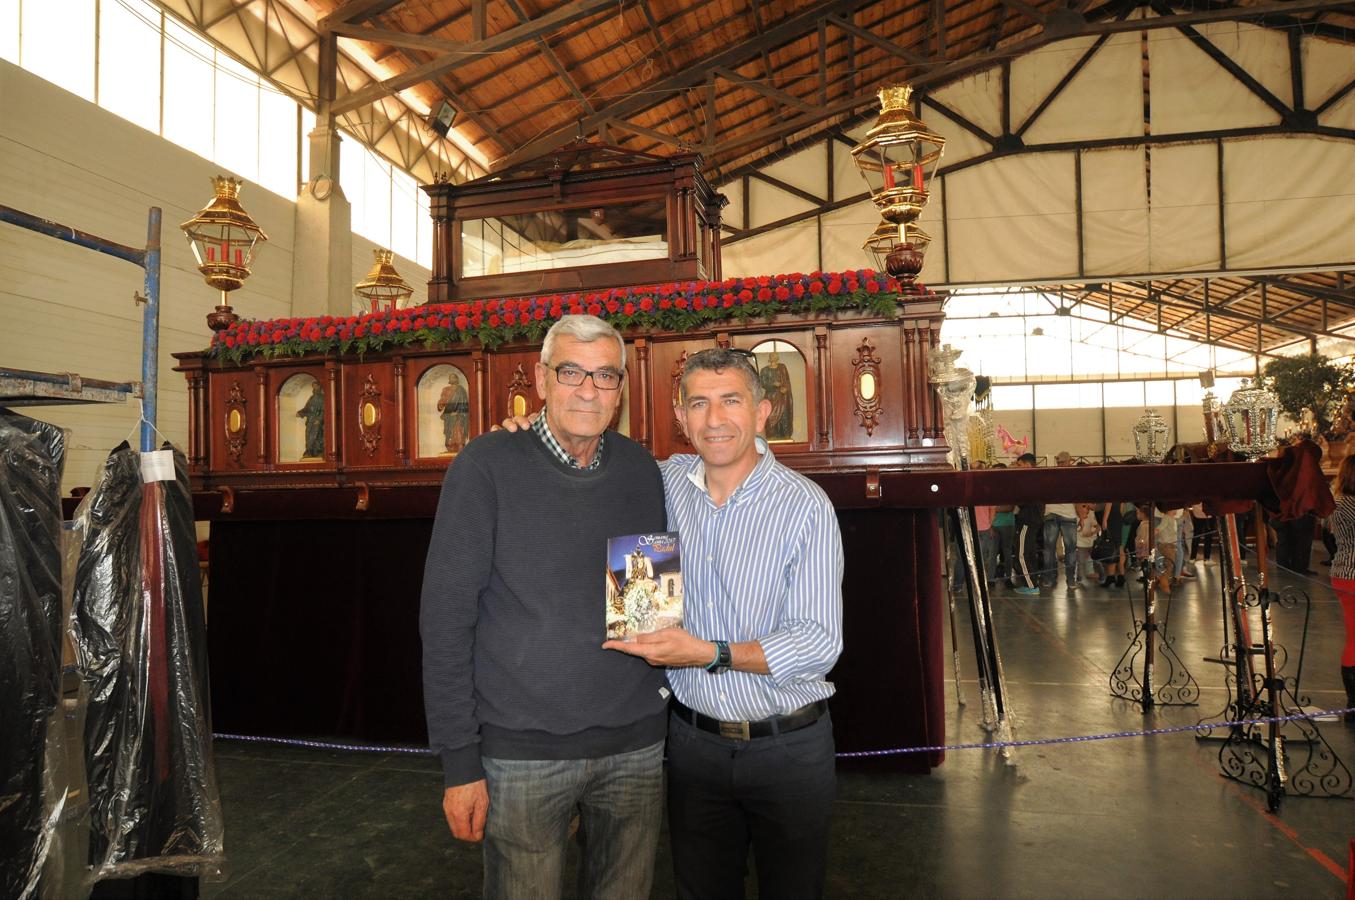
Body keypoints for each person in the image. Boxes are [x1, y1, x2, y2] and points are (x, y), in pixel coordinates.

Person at [420, 315, 670, 900]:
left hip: (634, 747)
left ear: (621, 389)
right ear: (541, 379)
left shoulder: (641, 471)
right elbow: (446, 621)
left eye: (606, 375)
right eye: (571, 372)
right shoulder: (485, 466)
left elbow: (646, 611)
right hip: (522, 754)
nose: (588, 389)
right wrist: (460, 763)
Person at [603, 347, 844, 899]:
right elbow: (586, 461)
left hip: (788, 747)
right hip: (693, 747)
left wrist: (710, 653)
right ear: (680, 417)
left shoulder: (805, 506)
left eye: (731, 401)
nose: (715, 420)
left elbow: (818, 643)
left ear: (762, 412)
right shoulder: (660, 483)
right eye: (700, 404)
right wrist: (523, 432)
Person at [1324, 454, 1355, 723]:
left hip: (1342, 571)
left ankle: (1352, 703)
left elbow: (1328, 533)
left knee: (1352, 637)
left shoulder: (1336, 503)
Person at [1043, 451, 1079, 589]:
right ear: (1069, 461)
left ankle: (1049, 579)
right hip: (1069, 515)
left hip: (1050, 513)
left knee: (1049, 549)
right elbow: (1078, 498)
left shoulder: (1049, 475)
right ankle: (1070, 581)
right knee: (1070, 550)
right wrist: (1081, 516)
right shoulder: (1074, 477)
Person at [1012, 453, 1042, 595]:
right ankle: (1032, 582)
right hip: (1033, 520)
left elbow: (1023, 500)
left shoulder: (1030, 481)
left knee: (1021, 553)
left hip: (1027, 521)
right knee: (1029, 553)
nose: (1017, 468)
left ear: (1028, 464)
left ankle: (1031, 585)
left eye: (1019, 465)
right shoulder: (1038, 479)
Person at [758, 350, 793, 440]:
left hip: (781, 397)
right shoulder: (765, 370)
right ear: (769, 358)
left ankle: (785, 436)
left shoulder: (782, 367)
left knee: (783, 416)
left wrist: (785, 388)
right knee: (769, 416)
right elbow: (762, 383)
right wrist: (773, 384)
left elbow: (787, 381)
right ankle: (771, 436)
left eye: (774, 355)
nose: (773, 357)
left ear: (777, 358)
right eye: (771, 356)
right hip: (770, 397)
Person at [436, 371, 470, 453]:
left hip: (458, 417)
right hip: (448, 416)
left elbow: (464, 404)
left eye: (454, 377)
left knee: (458, 433)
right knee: (449, 433)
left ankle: (460, 450)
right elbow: (442, 400)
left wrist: (458, 413)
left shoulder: (461, 390)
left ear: (457, 379)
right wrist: (440, 405)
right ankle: (450, 449)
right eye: (451, 377)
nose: (452, 379)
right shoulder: (446, 389)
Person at [297, 381, 325, 459]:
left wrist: (319, 419)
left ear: (320, 387)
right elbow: (307, 408)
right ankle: (309, 451)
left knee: (317, 436)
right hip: (310, 420)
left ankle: (318, 452)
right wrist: (301, 413)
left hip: (318, 420)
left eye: (316, 386)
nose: (314, 388)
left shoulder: (323, 397)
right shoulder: (312, 398)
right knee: (308, 436)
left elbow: (324, 410)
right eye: (313, 386)